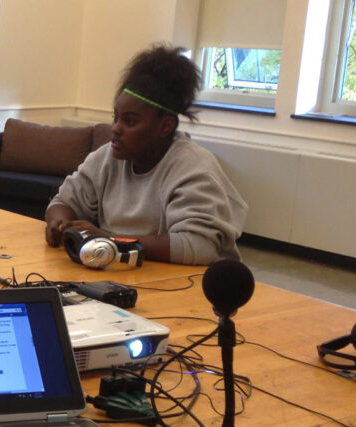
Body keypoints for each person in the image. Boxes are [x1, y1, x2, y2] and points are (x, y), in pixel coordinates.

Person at [44, 44, 246, 265]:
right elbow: (63, 201)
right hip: (130, 273)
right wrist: (59, 223)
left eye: (129, 121)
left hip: (189, 283)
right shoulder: (107, 157)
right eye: (116, 118)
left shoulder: (193, 167)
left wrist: (111, 240)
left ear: (165, 126)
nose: (116, 129)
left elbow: (199, 246)